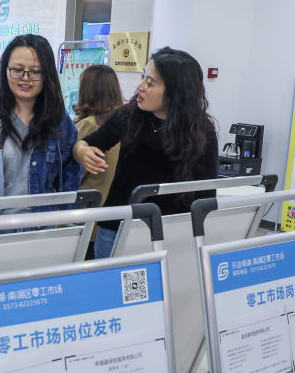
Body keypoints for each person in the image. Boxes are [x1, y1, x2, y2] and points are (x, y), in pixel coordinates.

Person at [73, 47, 218, 259]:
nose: (140, 86)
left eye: (150, 82)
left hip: (171, 232)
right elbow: (87, 143)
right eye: (143, 77)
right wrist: (81, 151)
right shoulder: (129, 117)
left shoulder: (201, 131)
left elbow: (206, 194)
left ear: (175, 91)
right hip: (116, 228)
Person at [0, 33, 80, 216]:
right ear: (5, 70)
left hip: (44, 229)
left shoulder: (60, 123)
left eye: (35, 71)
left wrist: (69, 225)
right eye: (17, 69)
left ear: (47, 75)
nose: (25, 78)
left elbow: (70, 186)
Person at [73, 64, 124, 257]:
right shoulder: (126, 124)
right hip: (115, 219)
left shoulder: (88, 126)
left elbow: (73, 176)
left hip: (87, 220)